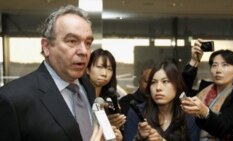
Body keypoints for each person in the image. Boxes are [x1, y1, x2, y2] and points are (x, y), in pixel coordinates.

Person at [0, 5, 122, 141]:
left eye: (88, 43)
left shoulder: (88, 86)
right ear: (46, 46)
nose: (83, 51)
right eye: (72, 41)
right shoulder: (13, 99)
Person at [181, 39, 233, 140]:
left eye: (225, 65)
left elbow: (227, 130)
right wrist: (194, 61)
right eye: (214, 65)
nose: (218, 70)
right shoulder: (201, 91)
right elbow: (181, 88)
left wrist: (205, 112)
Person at [123, 60, 191, 141]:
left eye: (165, 81)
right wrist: (139, 138)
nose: (158, 88)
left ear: (177, 85)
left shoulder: (189, 115)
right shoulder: (137, 112)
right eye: (153, 82)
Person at [86, 48, 126, 129]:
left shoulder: (111, 101)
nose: (104, 73)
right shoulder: (80, 97)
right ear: (87, 69)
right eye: (99, 67)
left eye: (109, 69)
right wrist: (104, 126)